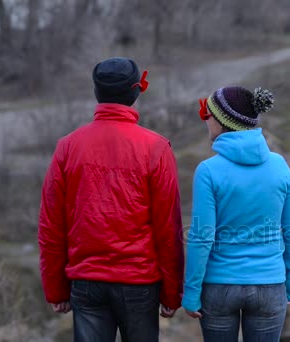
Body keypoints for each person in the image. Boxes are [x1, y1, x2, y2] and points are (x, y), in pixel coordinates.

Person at [38, 57, 184, 342]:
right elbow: (168, 228)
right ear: (135, 91)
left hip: (86, 281)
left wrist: (55, 288)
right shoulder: (156, 147)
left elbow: (51, 224)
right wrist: (172, 292)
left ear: (97, 91)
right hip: (139, 281)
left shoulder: (68, 146)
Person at [182, 86, 290, 342]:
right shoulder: (280, 166)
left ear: (222, 122)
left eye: (208, 115)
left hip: (219, 286)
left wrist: (191, 291)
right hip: (270, 285)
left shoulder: (208, 171)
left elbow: (202, 237)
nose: (205, 120)